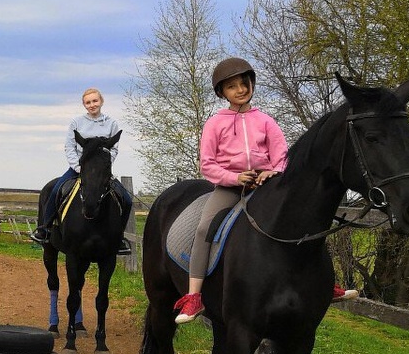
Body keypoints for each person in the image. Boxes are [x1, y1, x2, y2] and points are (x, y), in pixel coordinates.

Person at [173, 57, 357, 324]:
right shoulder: (215, 124)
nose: (239, 89)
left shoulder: (265, 121)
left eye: (243, 83)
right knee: (204, 228)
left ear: (251, 84)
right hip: (230, 187)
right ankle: (194, 295)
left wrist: (274, 171)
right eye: (232, 86)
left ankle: (323, 284)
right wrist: (235, 177)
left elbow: (281, 155)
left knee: (303, 222)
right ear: (222, 92)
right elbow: (208, 164)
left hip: (266, 186)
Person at [32, 87, 134, 254]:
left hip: (101, 172)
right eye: (88, 102)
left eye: (95, 101)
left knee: (127, 200)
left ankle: (119, 238)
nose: (92, 105)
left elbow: (114, 149)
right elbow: (69, 147)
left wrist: (103, 167)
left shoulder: (111, 124)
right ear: (84, 105)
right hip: (79, 168)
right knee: (55, 190)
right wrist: (78, 167)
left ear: (101, 101)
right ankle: (45, 228)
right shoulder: (77, 123)